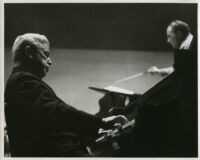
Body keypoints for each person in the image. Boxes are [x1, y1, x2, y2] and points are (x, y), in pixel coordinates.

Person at [4, 33, 128, 157]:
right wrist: (102, 122)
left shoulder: (23, 81)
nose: (50, 62)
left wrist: (93, 133)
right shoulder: (22, 81)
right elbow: (58, 112)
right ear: (29, 53)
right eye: (46, 55)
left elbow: (51, 124)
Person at [110, 20, 197, 157]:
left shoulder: (188, 50)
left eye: (169, 36)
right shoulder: (188, 47)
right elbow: (177, 72)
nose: (168, 40)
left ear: (179, 33)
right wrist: (159, 71)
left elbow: (180, 76)